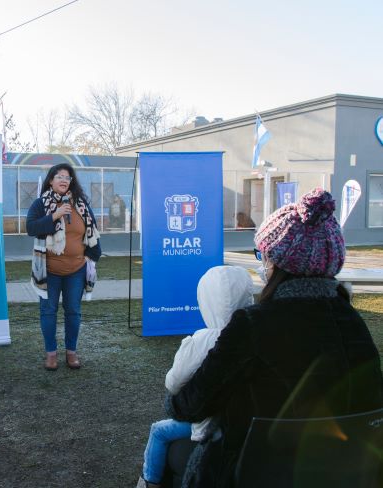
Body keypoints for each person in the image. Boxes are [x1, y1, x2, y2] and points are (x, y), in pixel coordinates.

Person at [163, 189, 383, 487]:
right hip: (348, 470)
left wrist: (175, 394)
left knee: (176, 452)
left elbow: (190, 406)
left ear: (277, 264)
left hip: (261, 471)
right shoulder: (352, 322)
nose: (261, 265)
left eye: (262, 256)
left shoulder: (254, 325)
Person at [139, 266, 254, 488]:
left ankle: (149, 480)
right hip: (247, 426)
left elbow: (173, 383)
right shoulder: (257, 333)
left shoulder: (203, 341)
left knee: (159, 430)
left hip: (207, 425)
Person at [26, 163, 101, 370]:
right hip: (48, 271)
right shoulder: (41, 203)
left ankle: (71, 352)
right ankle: (51, 353)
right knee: (48, 312)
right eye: (59, 176)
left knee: (73, 312)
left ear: (71, 182)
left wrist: (91, 257)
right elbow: (31, 227)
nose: (63, 180)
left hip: (76, 270)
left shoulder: (81, 204)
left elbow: (92, 231)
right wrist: (55, 215)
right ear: (51, 180)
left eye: (67, 178)